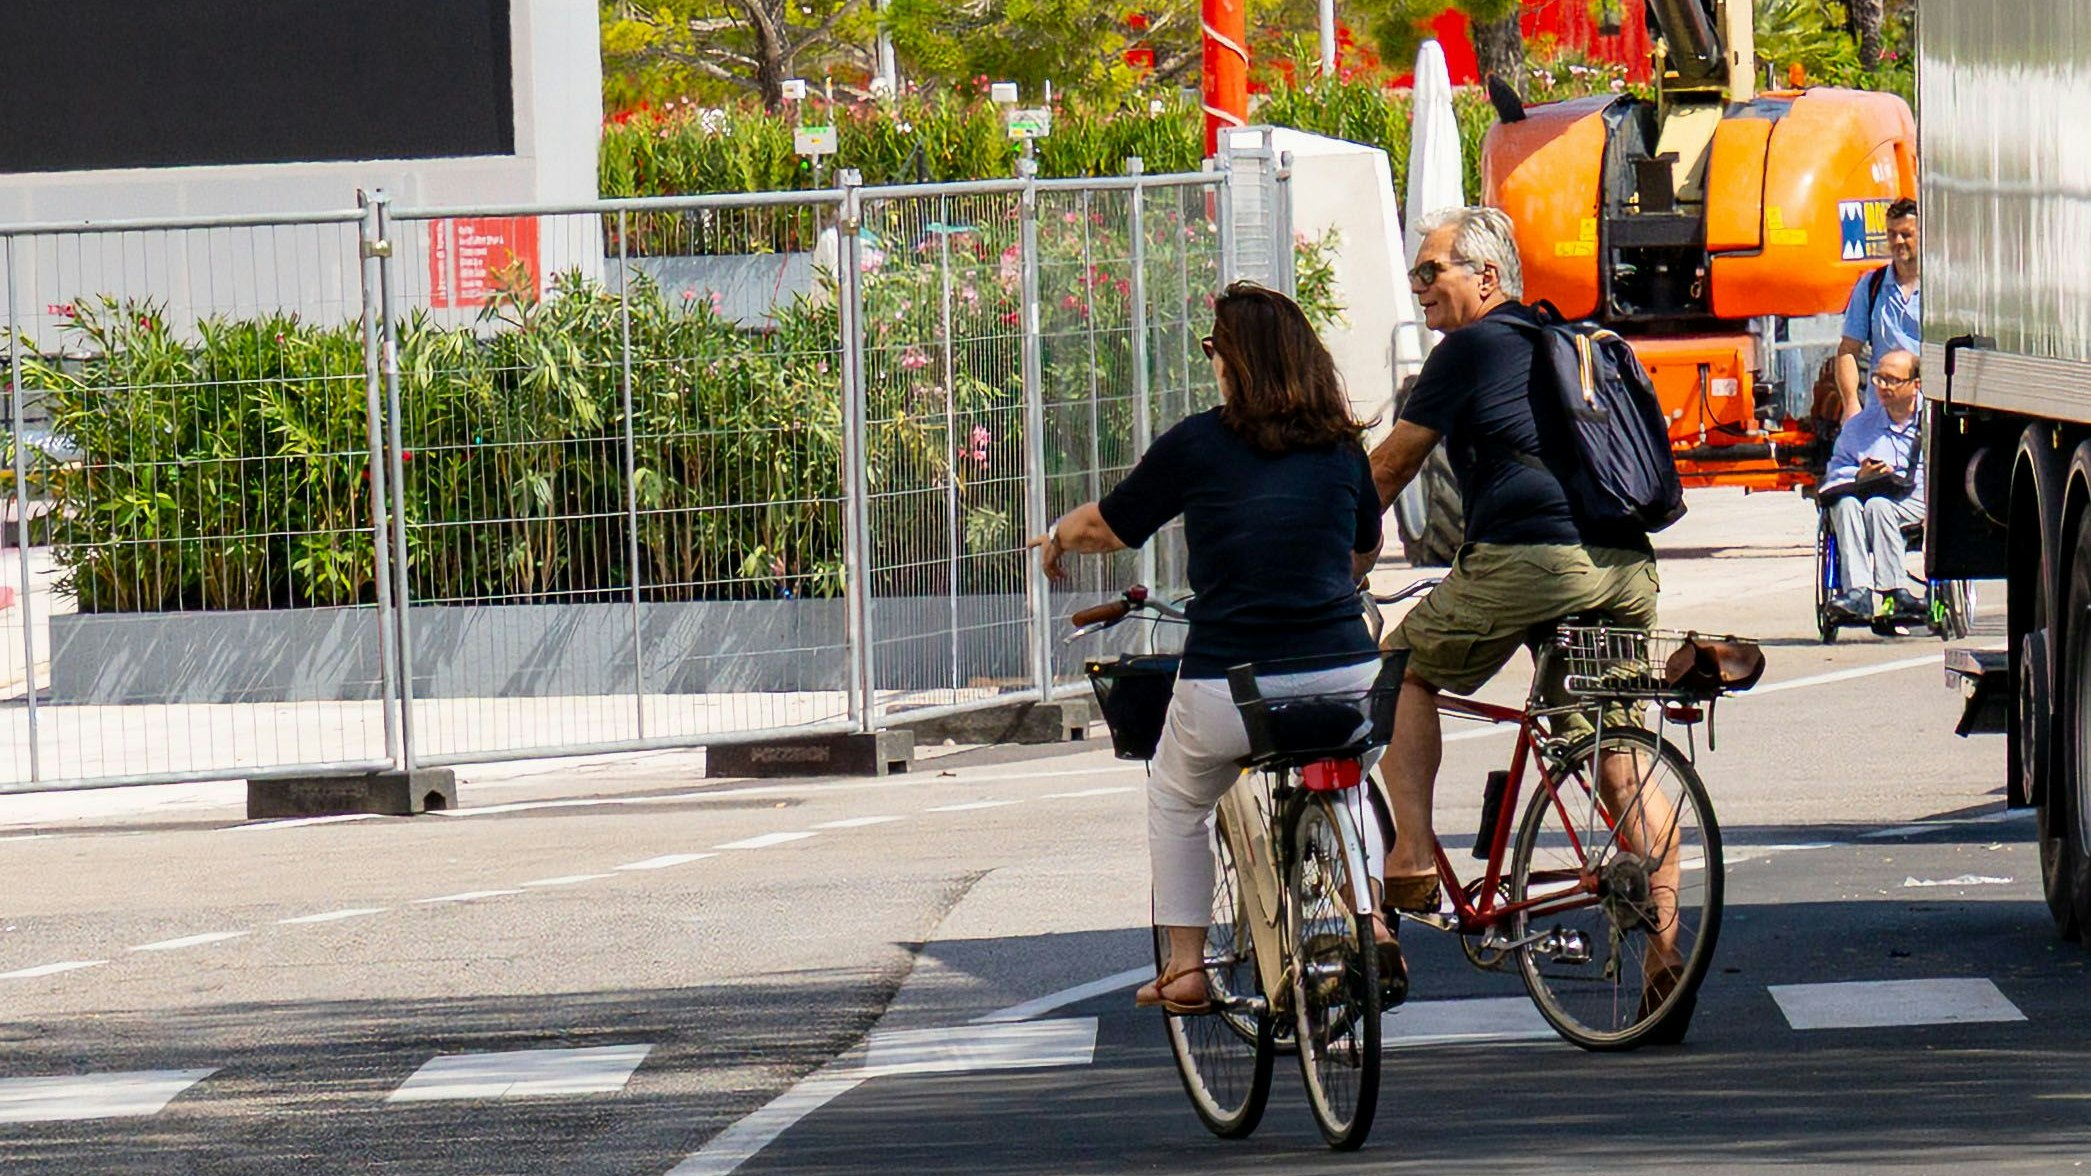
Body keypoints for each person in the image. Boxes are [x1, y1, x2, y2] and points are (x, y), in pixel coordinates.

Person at [1029, 282, 1387, 1013]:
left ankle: (1186, 969)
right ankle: (1373, 922)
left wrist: (1060, 535)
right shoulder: (1342, 448)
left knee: (1176, 794)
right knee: (1346, 780)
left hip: (1234, 682)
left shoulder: (1198, 442)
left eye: (1211, 349)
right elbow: (1361, 550)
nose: (1210, 364)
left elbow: (1114, 526)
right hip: (1348, 677)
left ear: (1232, 361)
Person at [1365, 206, 1682, 1005]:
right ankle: (1664, 957)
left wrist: (1322, 541)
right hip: (1620, 563)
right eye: (1415, 274)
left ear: (1487, 277)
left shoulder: (1469, 349)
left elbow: (1390, 469)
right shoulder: (1568, 341)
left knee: (1402, 664)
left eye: (1431, 271)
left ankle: (1406, 855)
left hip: (1533, 559)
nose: (1419, 288)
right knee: (1612, 746)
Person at [1821, 348, 1926, 627]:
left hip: (1916, 498)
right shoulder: (1860, 426)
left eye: (1893, 380)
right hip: (1865, 497)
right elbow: (1835, 474)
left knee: (1879, 506)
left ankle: (1894, 592)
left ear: (1916, 384)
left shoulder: (1932, 421)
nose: (1884, 387)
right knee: (1845, 504)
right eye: (1879, 379)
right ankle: (1858, 592)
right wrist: (1860, 475)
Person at [1832, 197, 1920, 422]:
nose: (1898, 241)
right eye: (1892, 234)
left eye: (1906, 234)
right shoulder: (1871, 286)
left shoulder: (1940, 288)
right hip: (1881, 417)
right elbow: (1849, 350)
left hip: (1928, 414)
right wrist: (1851, 403)